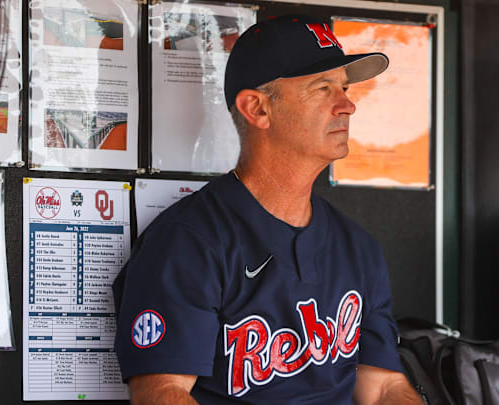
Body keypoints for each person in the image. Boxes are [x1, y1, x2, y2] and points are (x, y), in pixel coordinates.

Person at [112, 14, 422, 404]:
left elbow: (383, 389)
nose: (347, 106)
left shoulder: (357, 247)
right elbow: (161, 392)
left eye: (344, 88)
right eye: (323, 88)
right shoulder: (189, 242)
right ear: (258, 109)